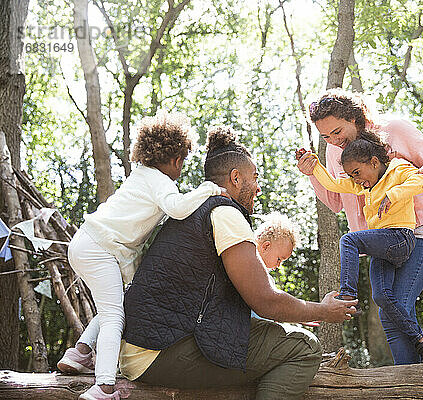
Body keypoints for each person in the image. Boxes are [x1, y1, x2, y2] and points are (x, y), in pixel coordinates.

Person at [118, 126, 357, 400]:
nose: (258, 187)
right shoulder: (224, 213)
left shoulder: (194, 208)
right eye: (255, 178)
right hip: (165, 350)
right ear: (235, 178)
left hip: (146, 348)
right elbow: (264, 301)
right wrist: (325, 311)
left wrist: (306, 312)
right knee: (303, 346)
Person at [57, 112, 227, 400]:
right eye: (183, 162)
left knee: (120, 300)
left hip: (89, 244)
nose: (182, 169)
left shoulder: (143, 175)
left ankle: (81, 352)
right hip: (98, 247)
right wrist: (208, 190)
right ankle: (104, 385)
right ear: (176, 160)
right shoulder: (158, 180)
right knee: (114, 316)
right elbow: (177, 207)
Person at [296, 88, 423, 364]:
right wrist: (312, 174)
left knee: (398, 305)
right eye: (326, 136)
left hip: (420, 231)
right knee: (387, 311)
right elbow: (335, 201)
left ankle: (416, 381)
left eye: (337, 131)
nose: (333, 140)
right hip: (382, 240)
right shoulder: (334, 151)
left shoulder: (393, 129)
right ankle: (413, 379)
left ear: (354, 117)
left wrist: (421, 176)